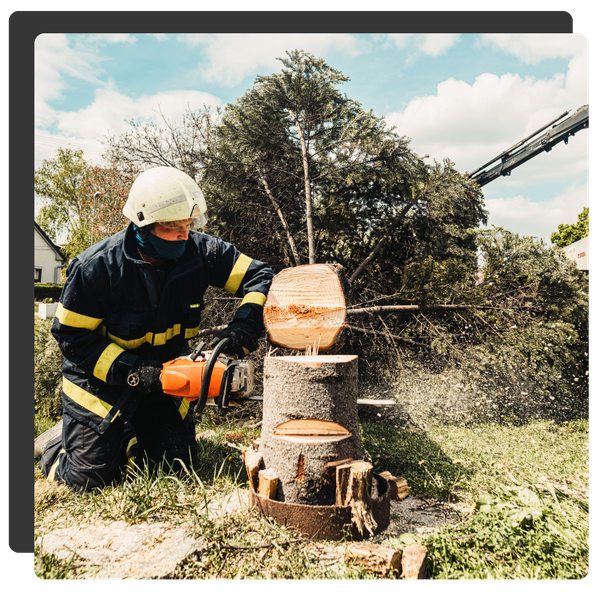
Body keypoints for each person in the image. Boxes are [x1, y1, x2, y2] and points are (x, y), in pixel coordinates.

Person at [36, 166, 274, 492]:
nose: (184, 234)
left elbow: (260, 276)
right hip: (98, 387)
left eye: (188, 225)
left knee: (174, 468)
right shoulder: (96, 268)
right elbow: (73, 338)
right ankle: (54, 446)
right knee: (89, 480)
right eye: (173, 227)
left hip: (164, 380)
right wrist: (134, 371)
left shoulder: (201, 254)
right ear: (142, 225)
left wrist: (245, 324)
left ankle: (128, 434)